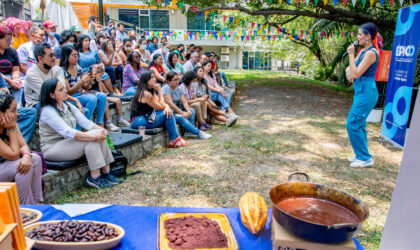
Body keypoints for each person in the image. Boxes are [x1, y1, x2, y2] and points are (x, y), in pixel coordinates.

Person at [39, 78, 121, 189]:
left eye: (64, 88)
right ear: (52, 95)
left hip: (67, 143)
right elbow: (67, 131)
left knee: (98, 133)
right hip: (52, 148)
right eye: (61, 89)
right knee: (91, 140)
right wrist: (94, 136)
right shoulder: (47, 111)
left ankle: (106, 172)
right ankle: (95, 177)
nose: (65, 91)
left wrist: (101, 130)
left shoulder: (67, 105)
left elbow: (85, 122)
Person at [345, 22, 381, 168]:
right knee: (359, 124)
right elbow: (350, 70)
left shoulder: (371, 53)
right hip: (360, 90)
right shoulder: (363, 52)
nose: (357, 37)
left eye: (360, 34)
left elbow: (356, 72)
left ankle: (365, 158)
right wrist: (351, 69)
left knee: (352, 124)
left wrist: (351, 55)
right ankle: (361, 155)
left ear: (368, 37)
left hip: (367, 92)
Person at [0, 90, 43, 204]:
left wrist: (26, 155)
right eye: (13, 110)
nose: (17, 114)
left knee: (35, 159)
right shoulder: (11, 126)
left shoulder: (10, 123)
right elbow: (14, 155)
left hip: (5, 166)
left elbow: (23, 145)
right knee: (21, 167)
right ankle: (27, 207)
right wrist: (12, 130)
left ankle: (37, 202)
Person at [130, 71, 186, 148]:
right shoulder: (145, 93)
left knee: (168, 112)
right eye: (152, 77)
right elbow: (161, 107)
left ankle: (175, 139)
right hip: (137, 121)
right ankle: (175, 139)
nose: (154, 79)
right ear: (146, 80)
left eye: (154, 77)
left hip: (147, 117)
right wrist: (160, 91)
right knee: (167, 112)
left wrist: (166, 107)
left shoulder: (151, 90)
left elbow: (162, 105)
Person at [60, 45, 111, 129]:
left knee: (102, 96)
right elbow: (68, 92)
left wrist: (90, 81)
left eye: (77, 55)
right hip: (70, 98)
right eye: (74, 56)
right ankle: (86, 126)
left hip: (81, 95)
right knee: (92, 98)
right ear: (66, 56)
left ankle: (99, 123)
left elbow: (85, 87)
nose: (76, 58)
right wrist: (82, 81)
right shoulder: (62, 71)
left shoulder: (78, 69)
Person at [163, 71, 211, 140]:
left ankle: (188, 132)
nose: (177, 81)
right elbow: (171, 104)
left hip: (178, 110)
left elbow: (184, 101)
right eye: (175, 80)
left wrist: (188, 111)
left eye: (178, 79)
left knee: (192, 110)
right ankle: (199, 133)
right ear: (168, 81)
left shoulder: (178, 89)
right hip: (170, 113)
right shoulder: (166, 88)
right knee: (182, 117)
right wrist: (182, 113)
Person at [84, 64, 129, 130]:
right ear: (95, 74)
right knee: (106, 103)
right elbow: (86, 89)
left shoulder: (98, 81)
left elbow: (101, 92)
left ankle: (121, 119)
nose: (100, 77)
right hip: (92, 96)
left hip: (99, 95)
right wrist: (91, 81)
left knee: (118, 100)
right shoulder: (89, 80)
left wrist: (104, 94)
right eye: (100, 76)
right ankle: (108, 123)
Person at [0, 74, 38, 143]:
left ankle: (19, 143)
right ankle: (14, 143)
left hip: (4, 109)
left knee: (30, 112)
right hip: (1, 111)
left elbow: (7, 96)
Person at [0, 26, 24, 107]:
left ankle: (17, 108)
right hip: (2, 78)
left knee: (19, 85)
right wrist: (9, 81)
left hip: (10, 76)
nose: (10, 42)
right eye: (8, 40)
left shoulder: (12, 51)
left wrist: (15, 79)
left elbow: (16, 69)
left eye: (11, 40)